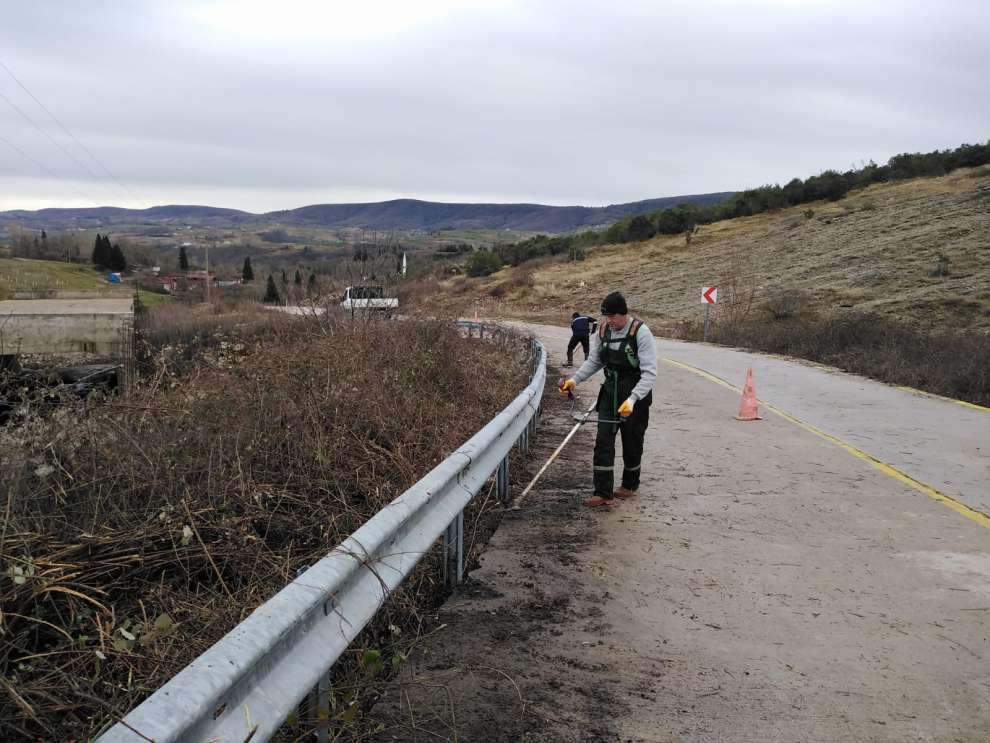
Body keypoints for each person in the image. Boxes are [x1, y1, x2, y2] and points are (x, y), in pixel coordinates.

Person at [558, 292, 657, 508]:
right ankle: (602, 492)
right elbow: (595, 361)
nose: (609, 322)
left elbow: (649, 373)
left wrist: (632, 399)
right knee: (603, 440)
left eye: (613, 317)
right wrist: (574, 380)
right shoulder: (603, 330)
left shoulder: (640, 332)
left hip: (635, 392)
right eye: (606, 317)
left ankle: (629, 485)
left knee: (632, 440)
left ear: (624, 314)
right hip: (610, 391)